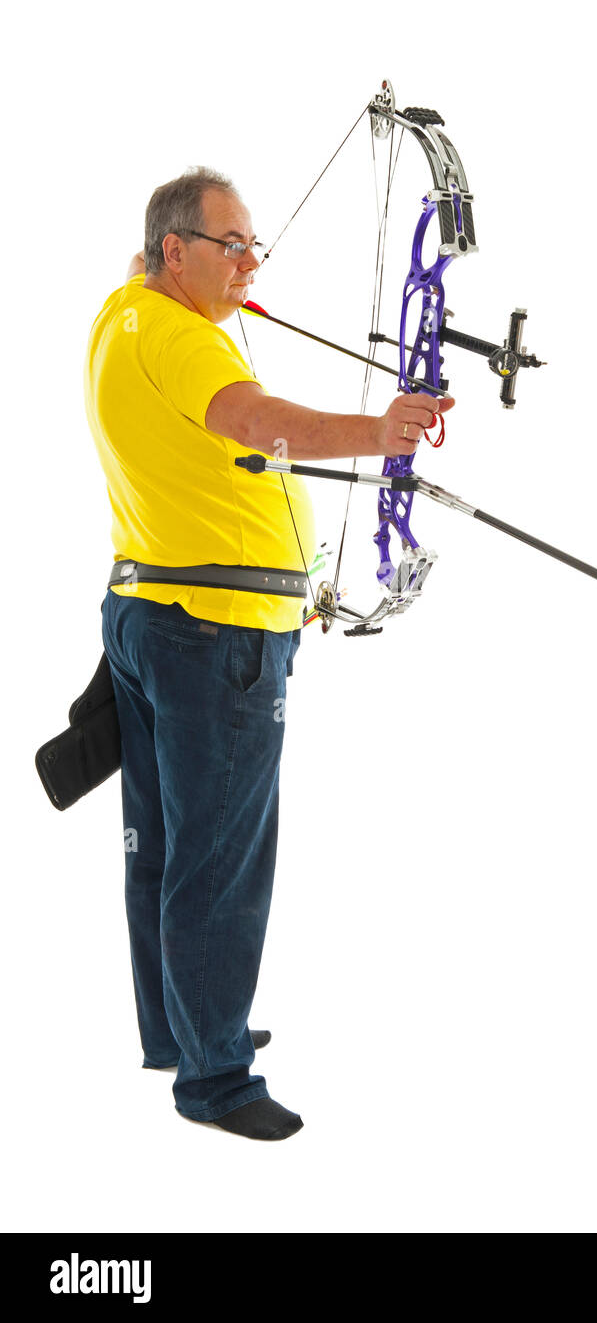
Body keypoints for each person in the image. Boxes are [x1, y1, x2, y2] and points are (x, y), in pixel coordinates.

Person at [86, 166, 453, 1141]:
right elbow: (254, 422)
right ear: (175, 249)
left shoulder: (126, 316)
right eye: (231, 243)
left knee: (165, 845)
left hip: (158, 617)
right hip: (214, 640)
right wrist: (379, 433)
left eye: (255, 244)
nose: (250, 260)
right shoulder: (177, 333)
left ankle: (182, 1029)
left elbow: (217, 436)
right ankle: (216, 1080)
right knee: (220, 858)